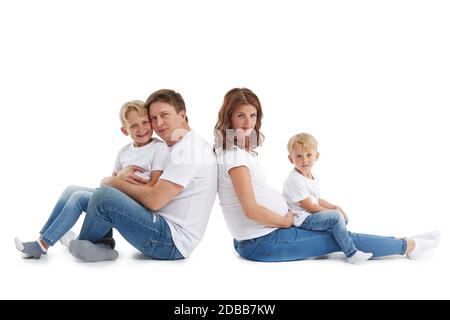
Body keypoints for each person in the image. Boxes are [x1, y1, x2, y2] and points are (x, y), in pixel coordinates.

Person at [215, 87, 440, 262]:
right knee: (341, 238)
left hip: (261, 236)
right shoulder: (234, 158)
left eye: (253, 116)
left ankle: (403, 242)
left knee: (340, 232)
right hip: (264, 241)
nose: (248, 123)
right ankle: (409, 246)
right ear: (229, 117)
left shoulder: (236, 153)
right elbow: (251, 209)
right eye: (241, 116)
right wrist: (284, 222)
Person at [68, 89, 217, 262]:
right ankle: (94, 244)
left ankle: (83, 244)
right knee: (77, 192)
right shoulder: (173, 146)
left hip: (170, 241)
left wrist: (113, 182)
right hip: (158, 225)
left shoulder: (190, 150)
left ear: (182, 115)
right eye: (153, 118)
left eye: (164, 115)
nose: (159, 123)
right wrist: (120, 180)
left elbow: (154, 201)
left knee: (103, 195)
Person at [15, 100, 169, 259]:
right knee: (71, 189)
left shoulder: (158, 148)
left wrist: (120, 180)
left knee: (78, 197)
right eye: (134, 125)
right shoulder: (123, 152)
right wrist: (120, 178)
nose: (142, 129)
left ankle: (42, 245)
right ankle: (44, 236)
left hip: (137, 205)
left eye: (145, 122)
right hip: (117, 199)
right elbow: (109, 186)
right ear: (125, 130)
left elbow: (152, 186)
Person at [282, 133, 372, 263]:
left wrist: (335, 207)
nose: (304, 160)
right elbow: (309, 206)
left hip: (311, 214)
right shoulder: (295, 180)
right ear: (291, 159)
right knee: (336, 218)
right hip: (302, 219)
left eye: (309, 155)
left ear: (316, 156)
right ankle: (351, 253)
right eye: (299, 156)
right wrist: (334, 213)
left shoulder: (312, 176)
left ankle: (324, 242)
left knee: (343, 218)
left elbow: (317, 200)